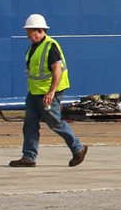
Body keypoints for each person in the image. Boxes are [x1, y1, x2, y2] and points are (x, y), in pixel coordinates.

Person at [9, 15, 88, 169]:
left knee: (55, 123)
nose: (27, 35)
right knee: (30, 125)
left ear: (39, 30)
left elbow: (57, 71)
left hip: (49, 93)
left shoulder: (50, 46)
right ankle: (28, 157)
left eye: (29, 32)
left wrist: (51, 93)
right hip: (34, 92)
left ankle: (78, 148)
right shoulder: (33, 47)